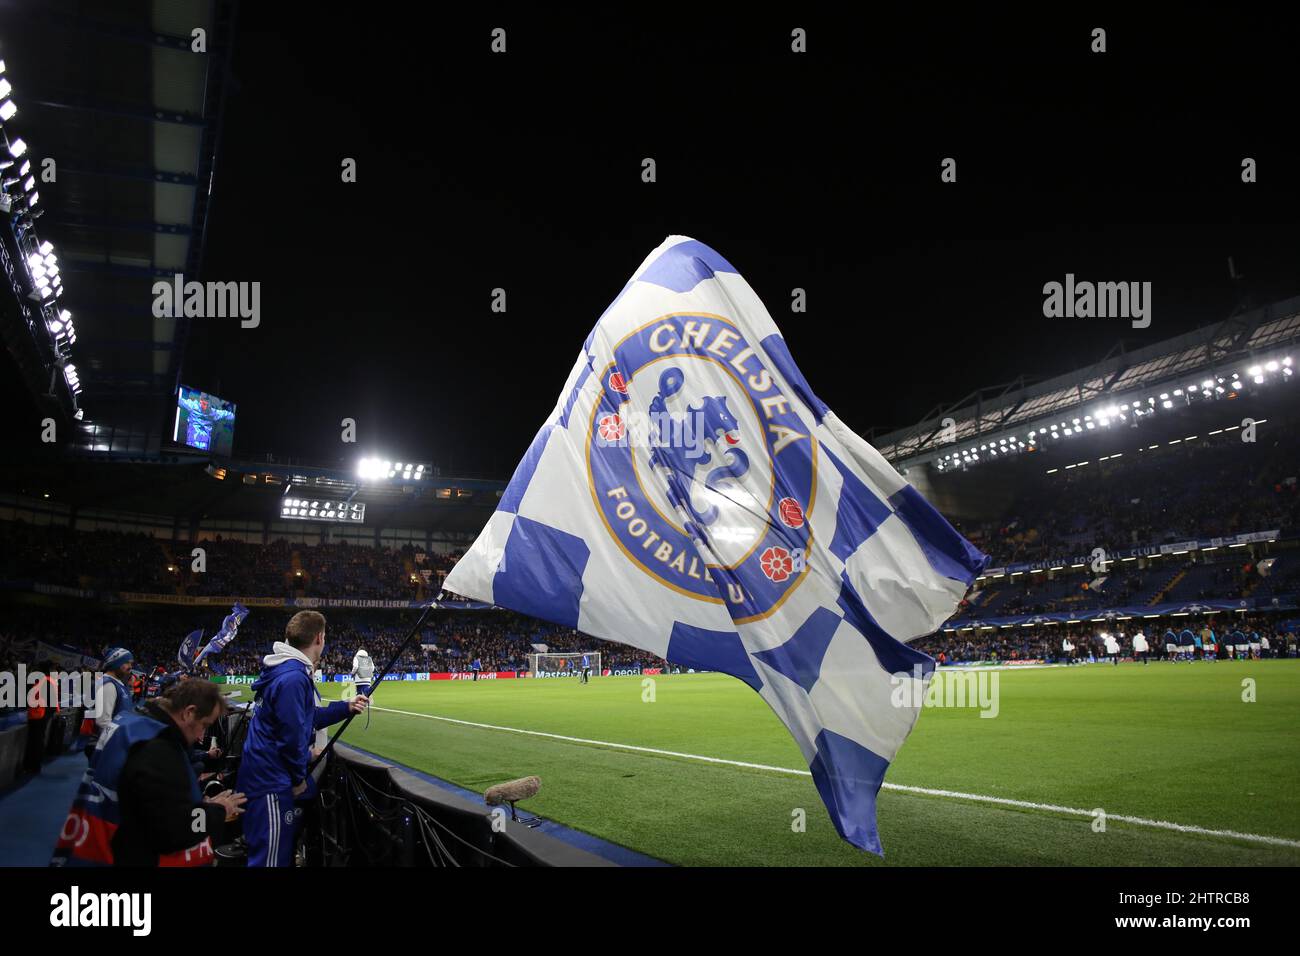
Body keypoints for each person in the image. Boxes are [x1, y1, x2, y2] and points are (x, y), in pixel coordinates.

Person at [52, 678, 246, 866]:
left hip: (101, 839)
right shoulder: (158, 748)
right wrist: (218, 810)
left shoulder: (134, 721)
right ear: (189, 713)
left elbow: (148, 803)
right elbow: (173, 832)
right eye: (204, 725)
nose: (201, 735)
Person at [238, 611, 367, 867]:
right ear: (319, 637)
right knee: (270, 862)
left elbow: (303, 718)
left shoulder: (284, 670)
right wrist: (298, 779)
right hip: (272, 784)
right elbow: (293, 737)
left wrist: (345, 707)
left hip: (262, 777)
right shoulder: (294, 678)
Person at [90, 647, 136, 751]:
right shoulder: (108, 685)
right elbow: (103, 721)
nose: (130, 667)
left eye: (131, 664)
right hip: (108, 744)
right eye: (127, 663)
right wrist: (122, 741)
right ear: (116, 663)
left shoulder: (116, 682)